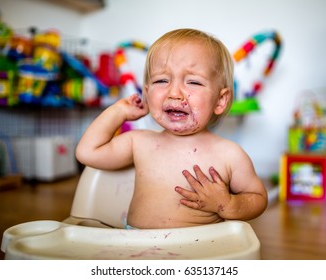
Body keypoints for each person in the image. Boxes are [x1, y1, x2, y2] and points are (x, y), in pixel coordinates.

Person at [76, 28, 268, 229]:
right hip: (136, 247)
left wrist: (229, 204)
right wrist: (118, 112)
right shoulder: (139, 142)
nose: (174, 93)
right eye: (161, 81)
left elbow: (258, 198)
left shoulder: (229, 155)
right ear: (147, 93)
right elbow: (87, 152)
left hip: (200, 251)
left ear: (220, 100)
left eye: (193, 81)